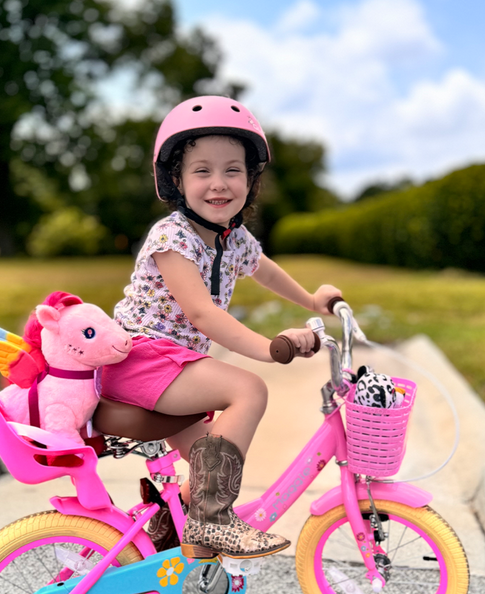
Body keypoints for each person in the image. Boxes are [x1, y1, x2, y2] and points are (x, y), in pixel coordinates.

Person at [101, 95, 340, 559]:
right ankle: (212, 523)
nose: (219, 183)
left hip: (173, 365)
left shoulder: (233, 237)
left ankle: (167, 532)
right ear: (176, 180)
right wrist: (270, 349)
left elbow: (264, 269)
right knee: (248, 390)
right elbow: (202, 314)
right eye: (202, 171)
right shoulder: (171, 237)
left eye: (233, 170)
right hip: (140, 360)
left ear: (251, 181)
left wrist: (311, 300)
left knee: (207, 472)